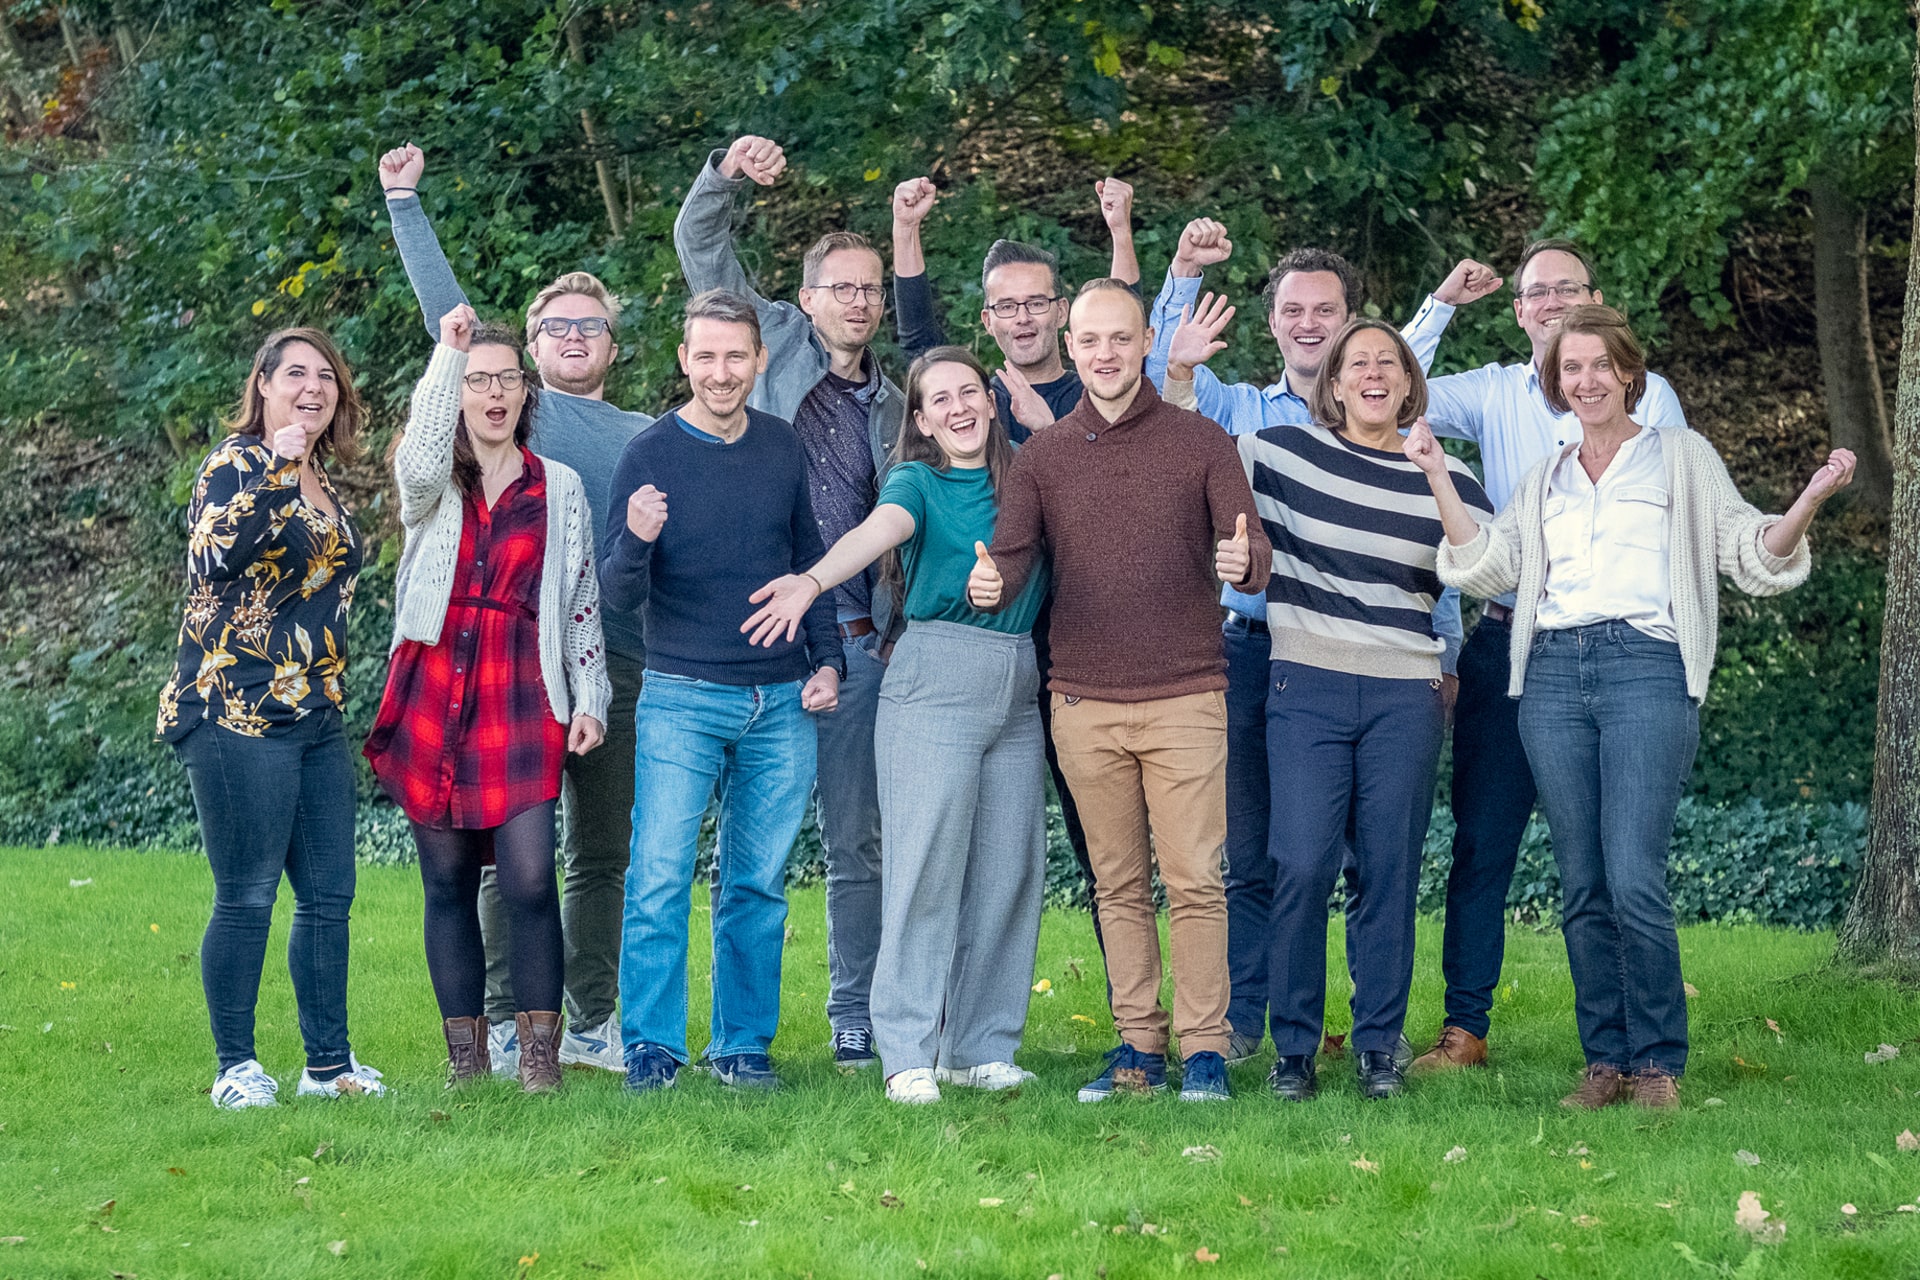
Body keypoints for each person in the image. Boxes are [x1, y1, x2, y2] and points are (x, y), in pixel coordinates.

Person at [1407, 304, 1853, 1110]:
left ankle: (1657, 1062)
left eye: (1600, 366)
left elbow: (1750, 552)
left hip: (1647, 669)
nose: (1586, 381)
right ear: (1558, 383)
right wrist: (1439, 472)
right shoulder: (1546, 477)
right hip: (1550, 676)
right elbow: (1486, 567)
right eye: (1570, 369)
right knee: (1582, 882)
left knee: (1634, 877)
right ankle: (1604, 1062)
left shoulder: (1679, 457)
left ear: (1628, 375)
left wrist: (1810, 499)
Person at [1148, 220, 1503, 1063]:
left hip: (1394, 675)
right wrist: (1181, 339)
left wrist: (1444, 658)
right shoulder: (1263, 431)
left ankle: (1373, 1037)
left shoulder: (1430, 459)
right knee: (1272, 857)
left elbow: (1465, 566)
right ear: (1276, 324)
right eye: (1295, 311)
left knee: (1375, 860)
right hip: (1266, 655)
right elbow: (1176, 428)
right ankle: (1257, 1027)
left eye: (1328, 313)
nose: (1311, 324)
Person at [378, 143, 651, 1076]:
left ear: (612, 344)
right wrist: (406, 204)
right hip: (494, 672)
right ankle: (499, 1020)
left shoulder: (646, 435)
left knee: (600, 856)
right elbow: (450, 329)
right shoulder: (505, 414)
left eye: (591, 325)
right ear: (528, 352)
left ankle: (591, 1020)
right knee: (505, 853)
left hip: (613, 663)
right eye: (556, 325)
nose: (574, 336)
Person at [968, 279, 1272, 1104]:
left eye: (1121, 338)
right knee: (1118, 884)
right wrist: (992, 585)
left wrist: (1243, 562)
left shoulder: (1201, 441)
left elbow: (1250, 547)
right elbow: (1012, 558)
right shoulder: (1044, 456)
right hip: (1084, 702)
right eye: (1091, 340)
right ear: (1071, 347)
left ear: (1145, 344)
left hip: (1186, 695)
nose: (1105, 354)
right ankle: (1139, 1044)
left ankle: (1204, 1049)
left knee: (1196, 880)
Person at [1411, 239, 1692, 1075]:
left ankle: (1639, 1053)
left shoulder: (1651, 397)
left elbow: (1674, 511)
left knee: (1618, 866)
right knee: (1483, 842)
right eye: (1537, 292)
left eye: (1569, 288)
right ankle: (1466, 1028)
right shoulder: (1493, 392)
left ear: (1596, 299)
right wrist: (1440, 304)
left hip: (1619, 648)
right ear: (1518, 310)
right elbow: (1385, 386)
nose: (1553, 302)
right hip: (1511, 639)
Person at [743, 347, 1051, 1105]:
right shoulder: (917, 481)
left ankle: (978, 1049)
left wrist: (1048, 427)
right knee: (924, 870)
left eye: (969, 392)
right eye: (938, 399)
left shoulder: (1032, 475)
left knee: (1009, 871)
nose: (958, 408)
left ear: (991, 402)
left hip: (1017, 680)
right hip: (934, 679)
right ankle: (907, 1052)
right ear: (920, 419)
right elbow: (877, 531)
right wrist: (813, 579)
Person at [1219, 319, 1492, 1102]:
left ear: (1409, 383)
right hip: (1304, 685)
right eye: (1357, 363)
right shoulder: (1278, 454)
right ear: (1333, 385)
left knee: (1387, 869)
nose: (1374, 373)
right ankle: (1293, 1050)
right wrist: (1176, 373)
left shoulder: (1447, 472)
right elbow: (1192, 463)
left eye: (1389, 362)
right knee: (1300, 863)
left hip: (1406, 693)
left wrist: (1436, 475)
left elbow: (1484, 570)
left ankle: (1378, 1047)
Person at [676, 136, 898, 1069]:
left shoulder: (897, 402)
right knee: (738, 855)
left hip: (860, 643)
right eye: (840, 287)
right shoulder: (765, 349)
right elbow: (699, 242)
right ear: (806, 300)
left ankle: (855, 1013)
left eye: (870, 289)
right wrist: (726, 172)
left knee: (859, 844)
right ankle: (728, 1037)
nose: (858, 302)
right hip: (755, 639)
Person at [889, 173, 1140, 967]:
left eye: (1038, 303)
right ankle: (946, 1007)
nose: (1024, 317)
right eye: (1007, 306)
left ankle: (1131, 1008)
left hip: (1084, 651)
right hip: (986, 649)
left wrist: (1121, 230)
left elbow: (1124, 318)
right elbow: (918, 340)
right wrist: (906, 229)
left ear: (1063, 312)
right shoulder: (975, 395)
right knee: (965, 842)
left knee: (1103, 840)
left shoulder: (1097, 382)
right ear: (988, 318)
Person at [601, 289, 844, 1095]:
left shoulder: (780, 447)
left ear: (759, 360)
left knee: (756, 884)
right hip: (682, 695)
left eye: (736, 355)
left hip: (780, 701)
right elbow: (616, 593)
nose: (720, 371)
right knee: (659, 877)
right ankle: (652, 1048)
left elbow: (807, 562)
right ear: (684, 360)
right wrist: (637, 538)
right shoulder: (648, 455)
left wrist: (828, 663)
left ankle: (742, 1045)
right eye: (705, 356)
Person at [364, 306, 611, 1093]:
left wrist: (591, 696)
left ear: (526, 392)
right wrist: (449, 355)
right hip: (435, 684)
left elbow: (580, 600)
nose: (494, 393)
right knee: (446, 883)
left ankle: (539, 1058)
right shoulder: (433, 481)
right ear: (457, 393)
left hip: (523, 690)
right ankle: (466, 1062)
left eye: (507, 379)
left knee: (531, 876)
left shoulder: (559, 486)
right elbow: (417, 460)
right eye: (479, 381)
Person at [157, 327, 386, 1108]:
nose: (312, 387)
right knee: (248, 893)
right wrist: (280, 469)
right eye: (295, 373)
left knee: (328, 895)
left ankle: (328, 1067)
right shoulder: (236, 462)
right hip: (234, 707)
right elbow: (213, 558)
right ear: (262, 384)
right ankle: (236, 1068)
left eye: (326, 376)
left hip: (313, 711)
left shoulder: (320, 475)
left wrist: (297, 469)